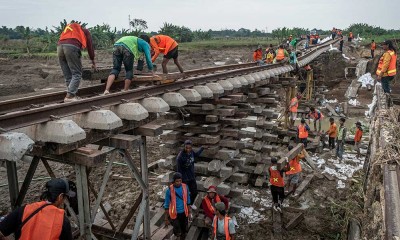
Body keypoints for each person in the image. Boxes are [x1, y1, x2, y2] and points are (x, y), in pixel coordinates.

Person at [0, 178, 74, 240]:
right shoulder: (62, 221)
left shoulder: (23, 210)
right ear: (60, 197)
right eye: (65, 197)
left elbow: (1, 231)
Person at [57, 22, 96, 102]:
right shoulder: (85, 31)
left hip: (59, 47)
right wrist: (93, 61)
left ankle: (72, 95)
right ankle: (69, 96)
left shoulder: (68, 30)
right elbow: (90, 46)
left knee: (68, 75)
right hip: (72, 47)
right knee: (77, 73)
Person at [164, 172, 191, 240]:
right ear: (173, 181)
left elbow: (188, 200)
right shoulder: (169, 190)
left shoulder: (185, 187)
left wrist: (189, 212)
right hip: (174, 214)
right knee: (177, 229)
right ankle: (178, 236)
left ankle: (183, 237)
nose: (178, 182)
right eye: (177, 181)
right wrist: (166, 218)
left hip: (184, 212)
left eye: (180, 181)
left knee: (184, 229)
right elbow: (166, 205)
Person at [176, 140, 204, 204]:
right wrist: (181, 180)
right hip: (185, 178)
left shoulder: (191, 152)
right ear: (184, 147)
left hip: (192, 176)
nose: (188, 149)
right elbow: (179, 170)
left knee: (194, 192)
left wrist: (202, 148)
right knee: (186, 193)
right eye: (186, 148)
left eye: (190, 148)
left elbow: (196, 155)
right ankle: (187, 206)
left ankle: (192, 204)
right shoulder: (180, 157)